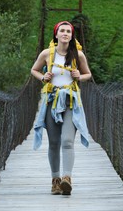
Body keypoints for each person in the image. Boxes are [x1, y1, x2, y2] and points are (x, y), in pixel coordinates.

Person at [31, 21, 92, 195]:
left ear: (72, 35)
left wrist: (79, 76)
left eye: (68, 31)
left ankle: (67, 178)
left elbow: (88, 74)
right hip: (51, 101)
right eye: (62, 31)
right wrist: (43, 77)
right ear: (56, 34)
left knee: (67, 140)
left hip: (70, 102)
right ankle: (55, 180)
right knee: (54, 142)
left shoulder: (78, 55)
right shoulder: (47, 54)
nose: (65, 33)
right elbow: (33, 70)